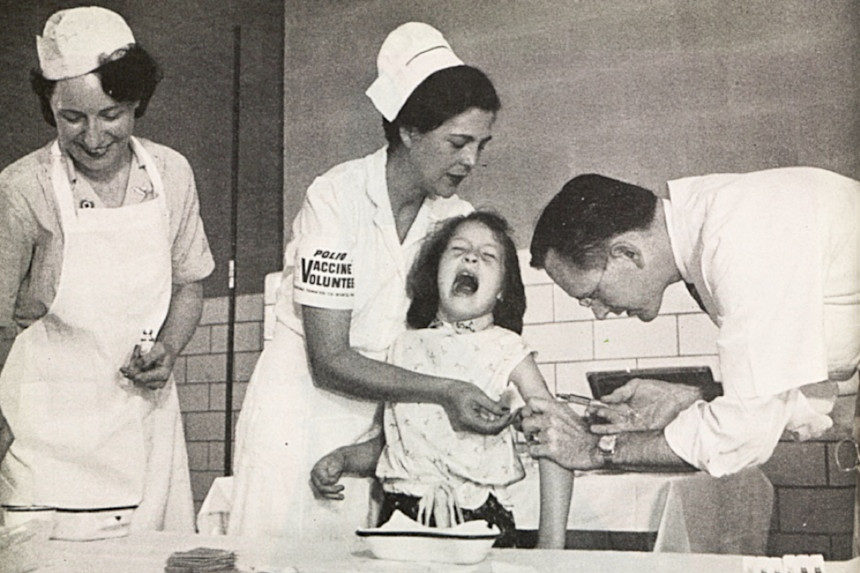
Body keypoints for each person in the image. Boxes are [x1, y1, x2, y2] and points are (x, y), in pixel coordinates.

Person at [229, 23, 510, 541]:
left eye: (480, 144)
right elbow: (329, 358)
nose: (470, 160)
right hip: (300, 416)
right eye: (457, 142)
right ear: (407, 130)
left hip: (382, 429)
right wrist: (446, 390)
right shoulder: (336, 198)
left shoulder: (456, 219)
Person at [0, 7, 214, 538]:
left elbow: (189, 282)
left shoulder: (170, 173)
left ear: (137, 103)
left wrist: (169, 347)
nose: (94, 136)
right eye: (72, 117)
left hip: (143, 428)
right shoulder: (22, 188)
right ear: (50, 108)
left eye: (112, 114)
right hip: (45, 447)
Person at [521, 169, 858, 477]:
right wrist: (694, 396)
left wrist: (595, 449)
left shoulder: (736, 240)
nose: (598, 312)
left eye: (591, 293)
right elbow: (793, 387)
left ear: (627, 252)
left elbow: (742, 434)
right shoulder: (710, 228)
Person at [311, 212, 573, 548]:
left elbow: (555, 435)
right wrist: (344, 458)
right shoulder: (404, 348)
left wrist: (551, 542)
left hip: (480, 519)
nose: (471, 256)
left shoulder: (508, 350)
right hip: (399, 517)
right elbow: (397, 443)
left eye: (488, 255)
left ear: (503, 290)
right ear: (434, 276)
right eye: (458, 249)